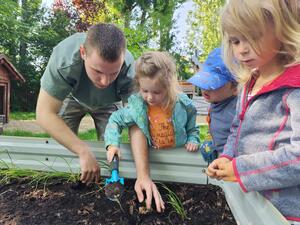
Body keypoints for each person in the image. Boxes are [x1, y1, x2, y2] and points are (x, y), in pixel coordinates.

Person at [206, 0, 300, 224]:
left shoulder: (294, 87)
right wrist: (228, 156)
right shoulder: (250, 82)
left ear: (281, 28)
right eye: (235, 41)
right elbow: (237, 128)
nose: (242, 49)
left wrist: (240, 169)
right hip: (254, 203)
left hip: (284, 212)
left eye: (252, 36)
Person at [36, 23, 135, 185]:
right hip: (73, 96)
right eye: (97, 71)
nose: (105, 81)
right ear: (83, 53)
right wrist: (83, 151)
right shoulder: (64, 58)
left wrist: (143, 174)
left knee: (110, 146)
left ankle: (108, 179)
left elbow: (135, 120)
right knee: (63, 142)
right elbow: (44, 114)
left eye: (113, 73)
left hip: (109, 102)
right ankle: (75, 177)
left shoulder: (129, 68)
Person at [104, 51, 200, 210]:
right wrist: (112, 144)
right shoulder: (138, 107)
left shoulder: (183, 104)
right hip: (154, 159)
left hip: (178, 159)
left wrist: (193, 139)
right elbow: (115, 119)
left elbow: (192, 126)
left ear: (169, 86)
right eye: (145, 91)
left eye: (156, 92)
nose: (149, 97)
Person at [188, 47, 238, 162]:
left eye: (213, 84)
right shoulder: (216, 101)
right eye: (204, 82)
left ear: (235, 88)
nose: (205, 88)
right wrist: (210, 139)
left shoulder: (237, 108)